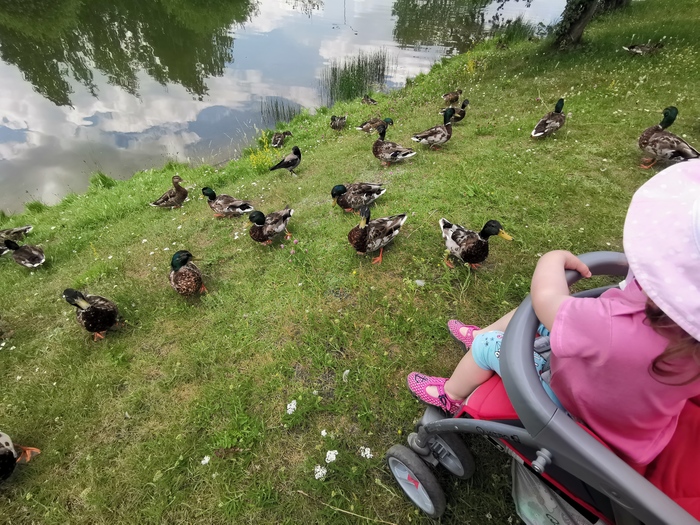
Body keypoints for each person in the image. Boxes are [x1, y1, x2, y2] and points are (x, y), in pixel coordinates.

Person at [407, 160, 700, 468]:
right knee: (532, 316)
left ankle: (451, 392)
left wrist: (552, 258)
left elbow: (546, 299)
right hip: (636, 436)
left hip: (569, 408)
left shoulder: (612, 325)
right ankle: (479, 333)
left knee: (501, 334)